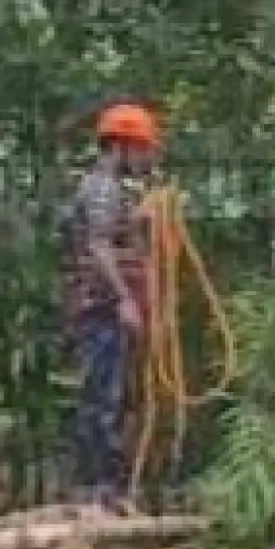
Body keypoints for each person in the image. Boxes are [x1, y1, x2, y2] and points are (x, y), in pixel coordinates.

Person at [59, 100, 160, 510]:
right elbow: (100, 247)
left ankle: (103, 487)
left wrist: (138, 223)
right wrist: (125, 300)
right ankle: (99, 489)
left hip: (99, 306)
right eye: (141, 149)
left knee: (107, 394)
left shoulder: (109, 190)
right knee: (102, 395)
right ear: (120, 146)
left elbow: (113, 236)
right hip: (99, 308)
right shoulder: (102, 189)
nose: (144, 158)